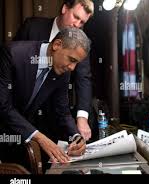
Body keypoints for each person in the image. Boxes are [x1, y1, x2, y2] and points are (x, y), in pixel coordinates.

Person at [0, 27, 91, 165]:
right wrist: (41, 138)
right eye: (71, 59)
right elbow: (3, 106)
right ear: (57, 45)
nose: (72, 68)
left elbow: (62, 111)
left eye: (76, 63)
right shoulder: (12, 54)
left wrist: (76, 136)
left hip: (19, 138)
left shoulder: (63, 70)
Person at [13, 0, 94, 141]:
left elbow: (83, 79)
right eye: (76, 17)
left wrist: (82, 118)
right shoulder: (32, 26)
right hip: (18, 111)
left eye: (82, 22)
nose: (77, 25)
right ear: (64, 8)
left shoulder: (82, 44)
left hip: (54, 114)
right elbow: (13, 60)